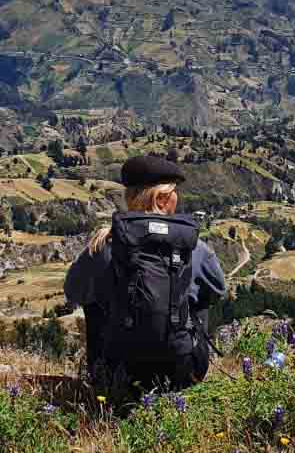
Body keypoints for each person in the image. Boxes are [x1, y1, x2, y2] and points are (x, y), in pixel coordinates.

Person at [64, 155, 225, 393]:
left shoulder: (101, 246)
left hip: (117, 373)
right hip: (183, 374)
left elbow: (72, 291)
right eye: (174, 192)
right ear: (161, 198)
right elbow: (219, 289)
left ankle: (103, 374)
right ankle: (188, 368)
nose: (178, 198)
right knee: (200, 297)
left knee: (93, 298)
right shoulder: (194, 248)